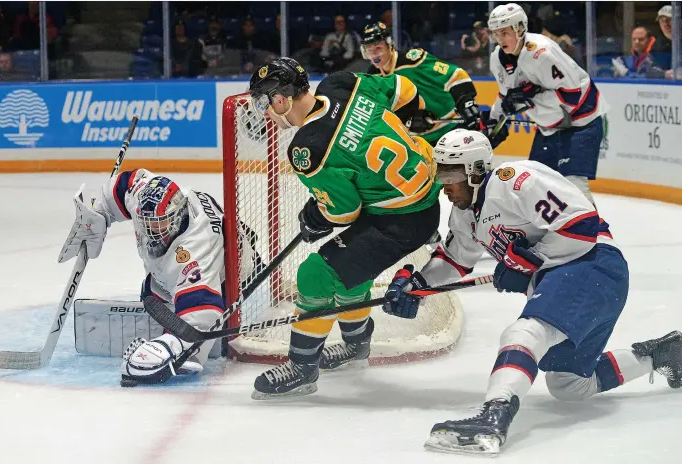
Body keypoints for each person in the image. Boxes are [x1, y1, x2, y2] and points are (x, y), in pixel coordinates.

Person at [382, 128, 682, 456]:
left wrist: (531, 263)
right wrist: (417, 285)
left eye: (452, 174)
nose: (445, 185)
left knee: (525, 332)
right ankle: (658, 354)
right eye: (441, 173)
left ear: (475, 171)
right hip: (576, 277)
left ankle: (493, 417)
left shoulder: (517, 182)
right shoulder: (464, 215)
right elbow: (455, 260)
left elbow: (581, 226)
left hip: (594, 264)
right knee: (569, 385)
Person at [247, 57, 442, 400]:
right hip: (423, 194)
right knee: (352, 268)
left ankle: (302, 368)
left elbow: (345, 212)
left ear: (281, 99)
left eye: (265, 102)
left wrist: (316, 217)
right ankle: (356, 347)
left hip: (400, 219)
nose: (265, 112)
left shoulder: (309, 147)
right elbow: (404, 89)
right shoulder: (342, 84)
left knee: (316, 274)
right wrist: (412, 118)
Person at [58, 169, 258, 385]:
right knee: (152, 294)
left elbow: (204, 314)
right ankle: (172, 314)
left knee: (190, 338)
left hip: (234, 273)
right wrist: (99, 214)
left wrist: (172, 347)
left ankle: (186, 330)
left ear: (176, 216)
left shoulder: (195, 250)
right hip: (201, 256)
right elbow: (123, 185)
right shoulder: (145, 197)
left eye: (158, 224)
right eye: (145, 222)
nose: (149, 230)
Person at [487, 3, 608, 205]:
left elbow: (571, 97)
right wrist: (492, 120)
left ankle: (595, 232)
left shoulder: (541, 53)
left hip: (582, 121)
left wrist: (526, 99)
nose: (500, 39)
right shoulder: (496, 59)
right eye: (496, 33)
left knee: (574, 184)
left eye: (505, 32)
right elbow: (505, 94)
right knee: (536, 184)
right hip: (549, 128)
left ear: (519, 28)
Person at [361, 22, 508, 149]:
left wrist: (466, 102)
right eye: (370, 50)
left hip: (450, 129)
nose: (374, 55)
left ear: (389, 45)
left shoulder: (413, 61)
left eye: (378, 48)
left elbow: (455, 74)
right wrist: (410, 120)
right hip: (418, 142)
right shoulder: (373, 77)